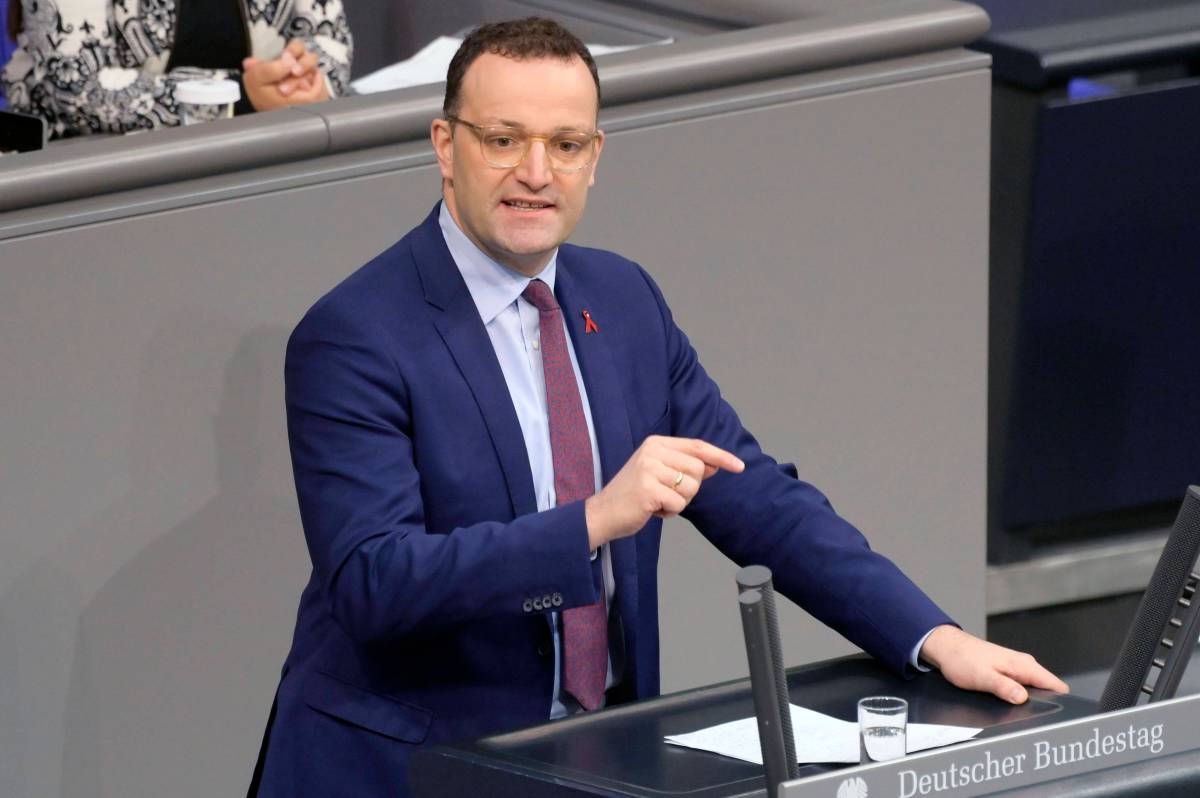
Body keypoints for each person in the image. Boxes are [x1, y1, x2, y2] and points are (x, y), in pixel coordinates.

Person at [249, 18, 1068, 798]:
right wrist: (594, 521)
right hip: (407, 768)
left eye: (565, 145)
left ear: (594, 157)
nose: (536, 172)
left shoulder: (624, 300)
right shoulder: (356, 334)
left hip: (591, 759)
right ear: (445, 146)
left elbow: (756, 498)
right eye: (503, 140)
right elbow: (374, 582)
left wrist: (934, 638)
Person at [1, 0, 351, 138]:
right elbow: (75, 84)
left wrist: (306, 78)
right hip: (93, 175)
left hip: (266, 148)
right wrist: (242, 95)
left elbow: (329, 37)